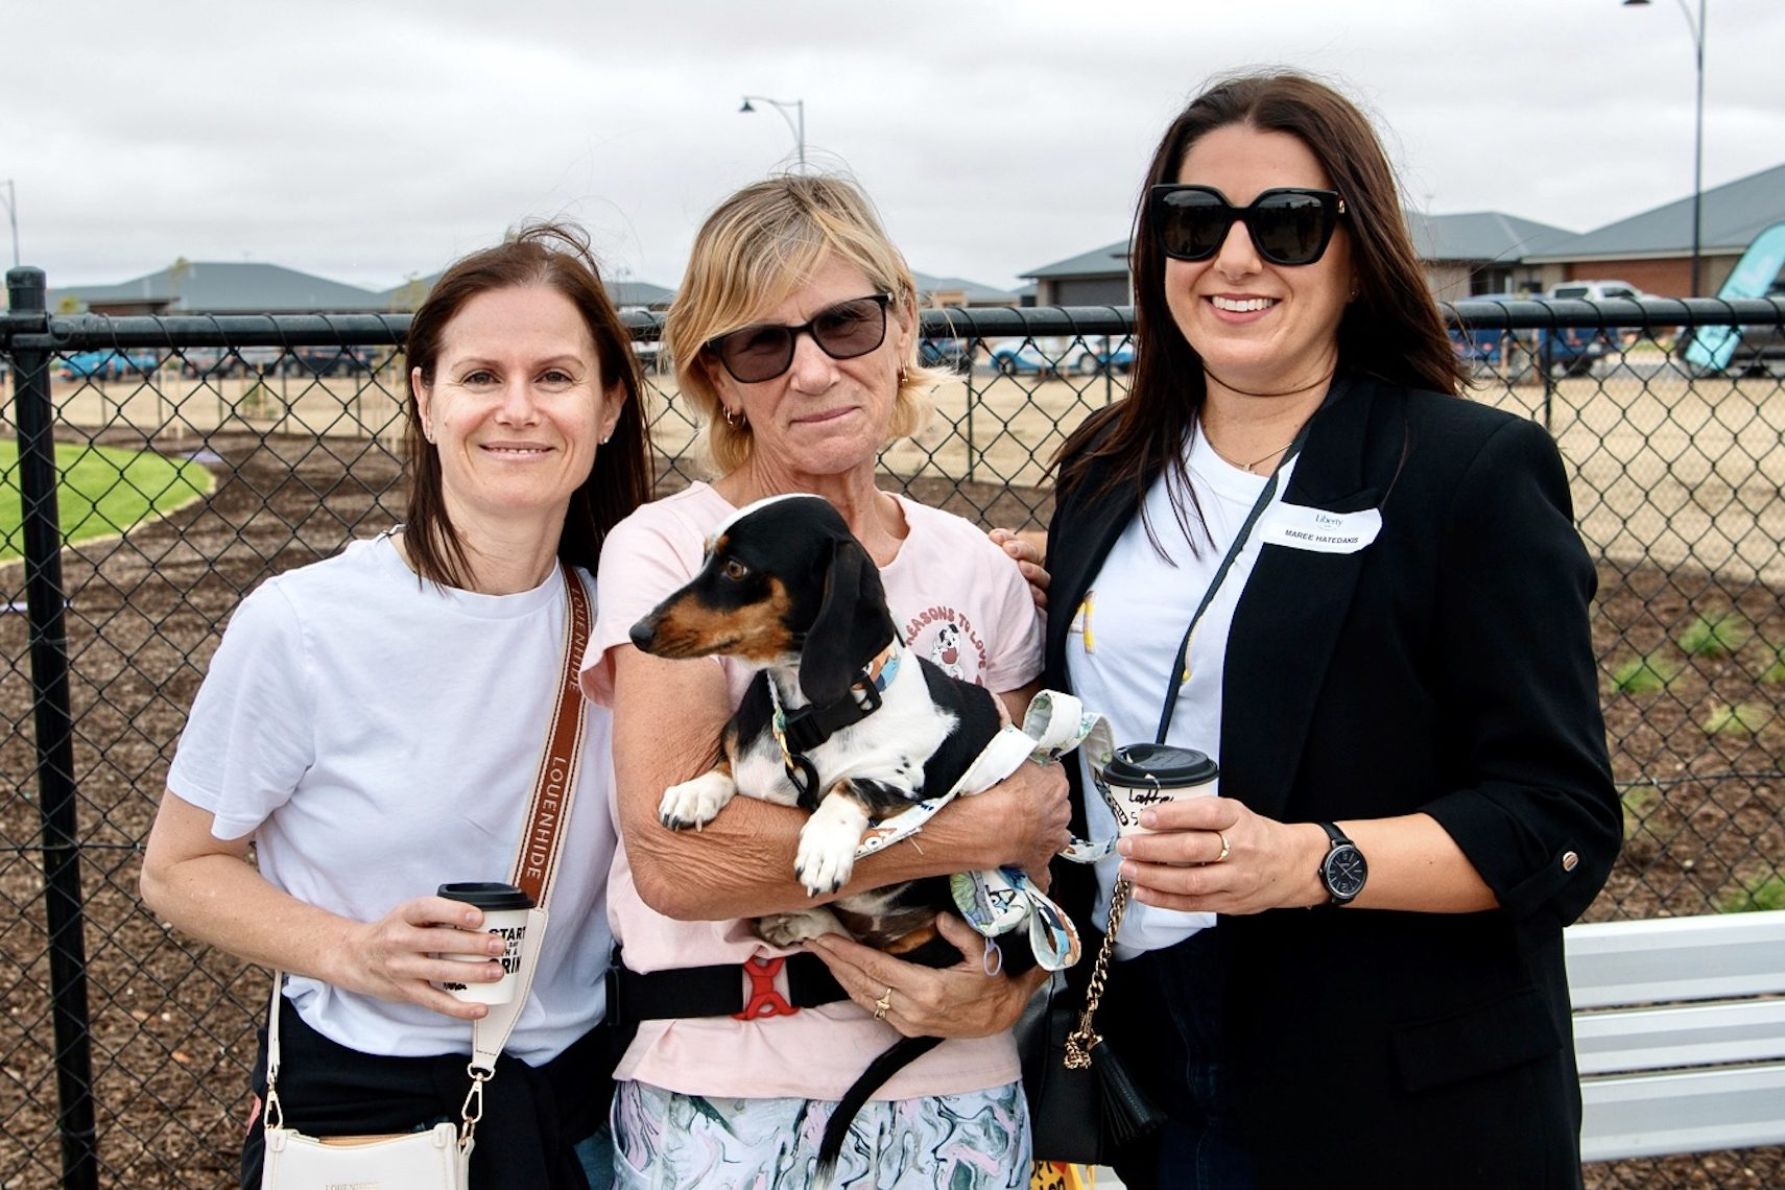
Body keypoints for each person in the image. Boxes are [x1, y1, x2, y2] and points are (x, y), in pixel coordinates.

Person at [1043, 72, 1621, 1189]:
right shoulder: (1105, 470)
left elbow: (1558, 819)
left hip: (1388, 1083)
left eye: (1290, 224)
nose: (1237, 258)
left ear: (1359, 252)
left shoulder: (1466, 475)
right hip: (1143, 1047)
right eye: (1194, 221)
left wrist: (1309, 859)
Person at [139, 224, 653, 1190]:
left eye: (554, 376)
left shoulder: (634, 632)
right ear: (423, 399)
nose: (517, 409)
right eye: (477, 377)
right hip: (368, 1120)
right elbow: (177, 868)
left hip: (584, 1113)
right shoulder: (303, 622)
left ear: (610, 405)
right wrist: (353, 952)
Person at [582, 174, 1070, 1188]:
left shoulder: (973, 565)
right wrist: (967, 832)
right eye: (762, 343)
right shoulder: (673, 552)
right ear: (719, 377)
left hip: (958, 1085)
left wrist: (1011, 984)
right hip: (732, 1088)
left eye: (846, 323)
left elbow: (1032, 844)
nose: (811, 370)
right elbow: (683, 859)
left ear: (902, 332)